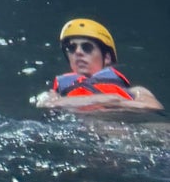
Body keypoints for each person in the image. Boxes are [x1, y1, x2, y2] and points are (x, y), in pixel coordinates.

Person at [35, 19, 163, 113]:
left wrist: (75, 103)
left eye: (87, 47)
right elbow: (47, 105)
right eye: (72, 48)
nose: (78, 52)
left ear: (106, 57)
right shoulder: (55, 93)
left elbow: (154, 107)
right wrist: (109, 99)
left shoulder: (136, 91)